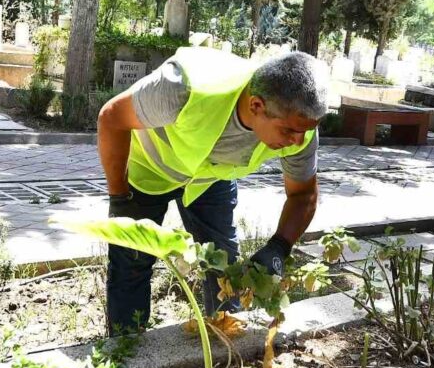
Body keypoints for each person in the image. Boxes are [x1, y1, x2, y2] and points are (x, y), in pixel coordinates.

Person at [96, 47, 328, 332]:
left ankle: (226, 343)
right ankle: (124, 350)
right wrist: (119, 196)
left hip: (210, 179)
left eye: (306, 131)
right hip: (151, 170)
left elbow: (303, 195)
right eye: (289, 132)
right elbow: (111, 118)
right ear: (256, 106)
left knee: (224, 265)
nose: (298, 141)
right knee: (131, 262)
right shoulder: (182, 88)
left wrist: (279, 246)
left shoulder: (299, 124)